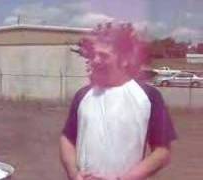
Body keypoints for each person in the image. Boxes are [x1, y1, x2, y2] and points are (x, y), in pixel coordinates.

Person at [60, 23, 177, 180]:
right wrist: (74, 174)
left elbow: (162, 152)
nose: (95, 60)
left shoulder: (148, 96)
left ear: (125, 59)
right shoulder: (83, 95)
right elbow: (67, 138)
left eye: (104, 56)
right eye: (93, 54)